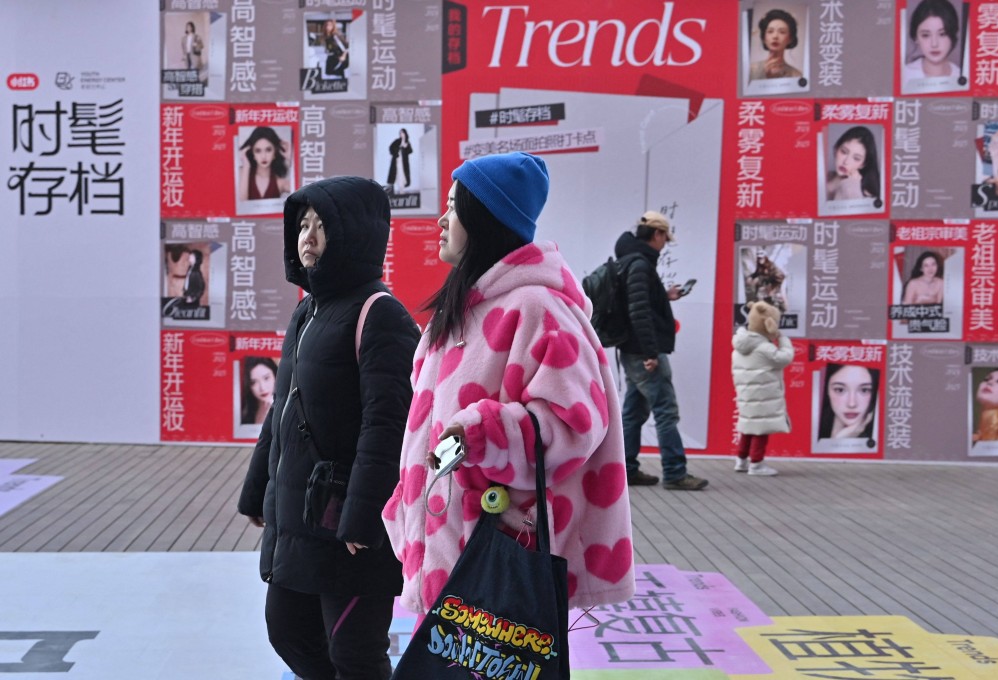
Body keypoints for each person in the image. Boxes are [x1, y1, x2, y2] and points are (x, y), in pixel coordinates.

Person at [382, 151, 636, 617]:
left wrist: (483, 433)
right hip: (446, 548)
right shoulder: (457, 314)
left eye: (455, 206)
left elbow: (574, 423)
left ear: (485, 220)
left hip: (498, 552)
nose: (442, 218)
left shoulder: (539, 308)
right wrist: (406, 504)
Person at [237, 176, 420, 680]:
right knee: (287, 631)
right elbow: (283, 412)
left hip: (350, 529)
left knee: (354, 655)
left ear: (356, 234)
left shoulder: (380, 316)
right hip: (300, 518)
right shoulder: (306, 312)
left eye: (322, 226)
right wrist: (257, 492)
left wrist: (363, 517)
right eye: (303, 225)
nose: (308, 238)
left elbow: (388, 426)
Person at [614, 211, 708, 490]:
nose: (665, 243)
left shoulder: (631, 260)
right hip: (643, 350)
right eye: (665, 237)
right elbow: (639, 311)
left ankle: (627, 468)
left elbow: (640, 303)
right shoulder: (640, 264)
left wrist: (665, 296)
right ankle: (675, 472)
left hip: (632, 348)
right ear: (656, 234)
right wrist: (651, 353)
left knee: (634, 410)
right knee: (666, 409)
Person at [732, 301, 793, 476]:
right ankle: (756, 464)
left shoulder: (739, 345)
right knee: (761, 428)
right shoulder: (764, 347)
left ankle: (741, 460)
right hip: (764, 394)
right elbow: (785, 358)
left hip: (747, 395)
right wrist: (782, 339)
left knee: (748, 426)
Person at [902, 0, 961, 83]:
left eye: (942, 34)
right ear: (916, 38)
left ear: (953, 34)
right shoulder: (904, 76)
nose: (934, 44)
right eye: (926, 35)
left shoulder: (962, 76)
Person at [818, 363, 880, 441]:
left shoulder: (879, 434)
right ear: (826, 390)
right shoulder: (815, 424)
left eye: (864, 390)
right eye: (840, 390)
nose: (852, 404)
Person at [825, 126, 881, 202]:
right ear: (836, 148)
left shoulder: (865, 194)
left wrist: (851, 186)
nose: (846, 162)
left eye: (856, 158)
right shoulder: (823, 176)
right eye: (844, 152)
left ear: (863, 164)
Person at [237, 127, 291, 202]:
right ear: (253, 153)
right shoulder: (241, 172)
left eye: (268, 150)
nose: (263, 156)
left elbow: (307, 193)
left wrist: (290, 157)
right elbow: (242, 203)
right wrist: (246, 166)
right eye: (258, 151)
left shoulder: (280, 183)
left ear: (275, 152)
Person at [749, 9, 802, 80]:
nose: (775, 36)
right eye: (770, 31)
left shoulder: (797, 75)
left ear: (790, 39)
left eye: (782, 32)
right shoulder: (751, 70)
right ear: (764, 38)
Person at [745, 248, 787, 312]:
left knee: (778, 296)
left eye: (762, 258)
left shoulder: (771, 266)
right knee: (761, 293)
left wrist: (772, 286)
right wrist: (751, 277)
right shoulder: (760, 266)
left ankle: (783, 310)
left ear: (765, 258)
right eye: (759, 258)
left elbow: (781, 276)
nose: (760, 260)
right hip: (768, 284)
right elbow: (757, 273)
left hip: (778, 282)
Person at [240, 357, 277, 426]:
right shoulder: (247, 410)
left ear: (275, 376)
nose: (262, 388)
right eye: (253, 382)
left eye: (266, 378)